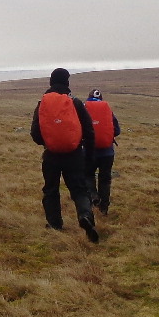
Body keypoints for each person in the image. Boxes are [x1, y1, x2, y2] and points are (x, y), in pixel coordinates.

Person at [31, 68, 99, 243]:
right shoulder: (75, 103)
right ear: (67, 82)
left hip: (51, 155)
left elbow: (35, 134)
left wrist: (49, 142)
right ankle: (85, 216)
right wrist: (89, 156)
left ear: (51, 82)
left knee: (51, 190)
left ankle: (55, 224)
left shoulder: (42, 104)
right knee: (79, 189)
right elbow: (90, 131)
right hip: (74, 154)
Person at [83, 89, 120, 215]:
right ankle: (104, 208)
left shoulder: (84, 108)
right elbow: (117, 130)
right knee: (105, 179)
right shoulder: (107, 110)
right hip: (107, 153)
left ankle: (93, 196)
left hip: (89, 151)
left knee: (88, 175)